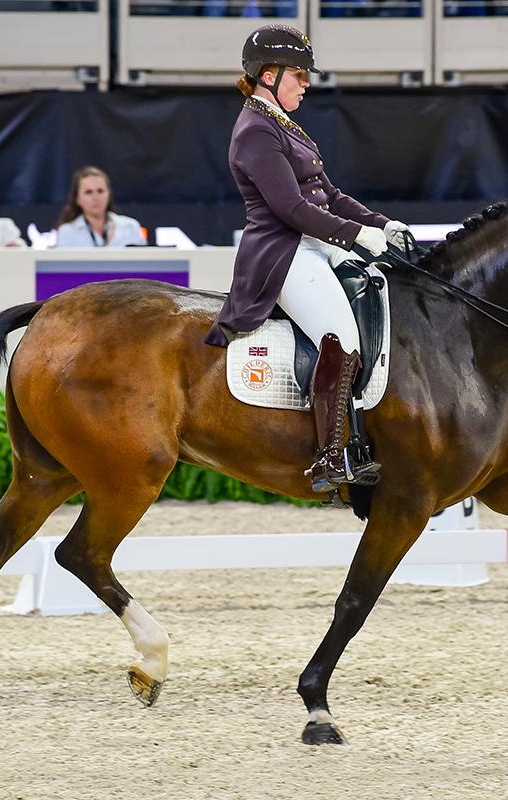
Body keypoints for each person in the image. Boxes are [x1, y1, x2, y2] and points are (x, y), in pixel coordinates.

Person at [205, 24, 411, 495]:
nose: (306, 83)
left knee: (383, 295)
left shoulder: (283, 124)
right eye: (299, 74)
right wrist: (358, 236)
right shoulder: (255, 130)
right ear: (269, 74)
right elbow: (291, 210)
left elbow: (329, 196)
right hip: (282, 254)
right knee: (340, 337)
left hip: (314, 245)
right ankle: (330, 456)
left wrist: (380, 225)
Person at [54, 166, 147, 248]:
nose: (95, 197)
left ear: (109, 194)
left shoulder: (130, 227)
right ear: (78, 199)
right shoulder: (67, 232)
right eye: (88, 192)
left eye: (100, 191)